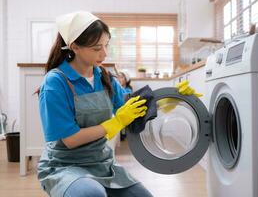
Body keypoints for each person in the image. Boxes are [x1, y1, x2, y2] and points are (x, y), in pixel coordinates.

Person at [37, 11, 201, 197]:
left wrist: (173, 99)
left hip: (102, 163)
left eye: (106, 45)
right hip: (64, 166)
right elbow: (71, 139)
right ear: (74, 47)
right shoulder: (56, 83)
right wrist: (116, 123)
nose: (104, 54)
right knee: (91, 194)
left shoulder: (103, 77)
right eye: (97, 48)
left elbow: (133, 107)